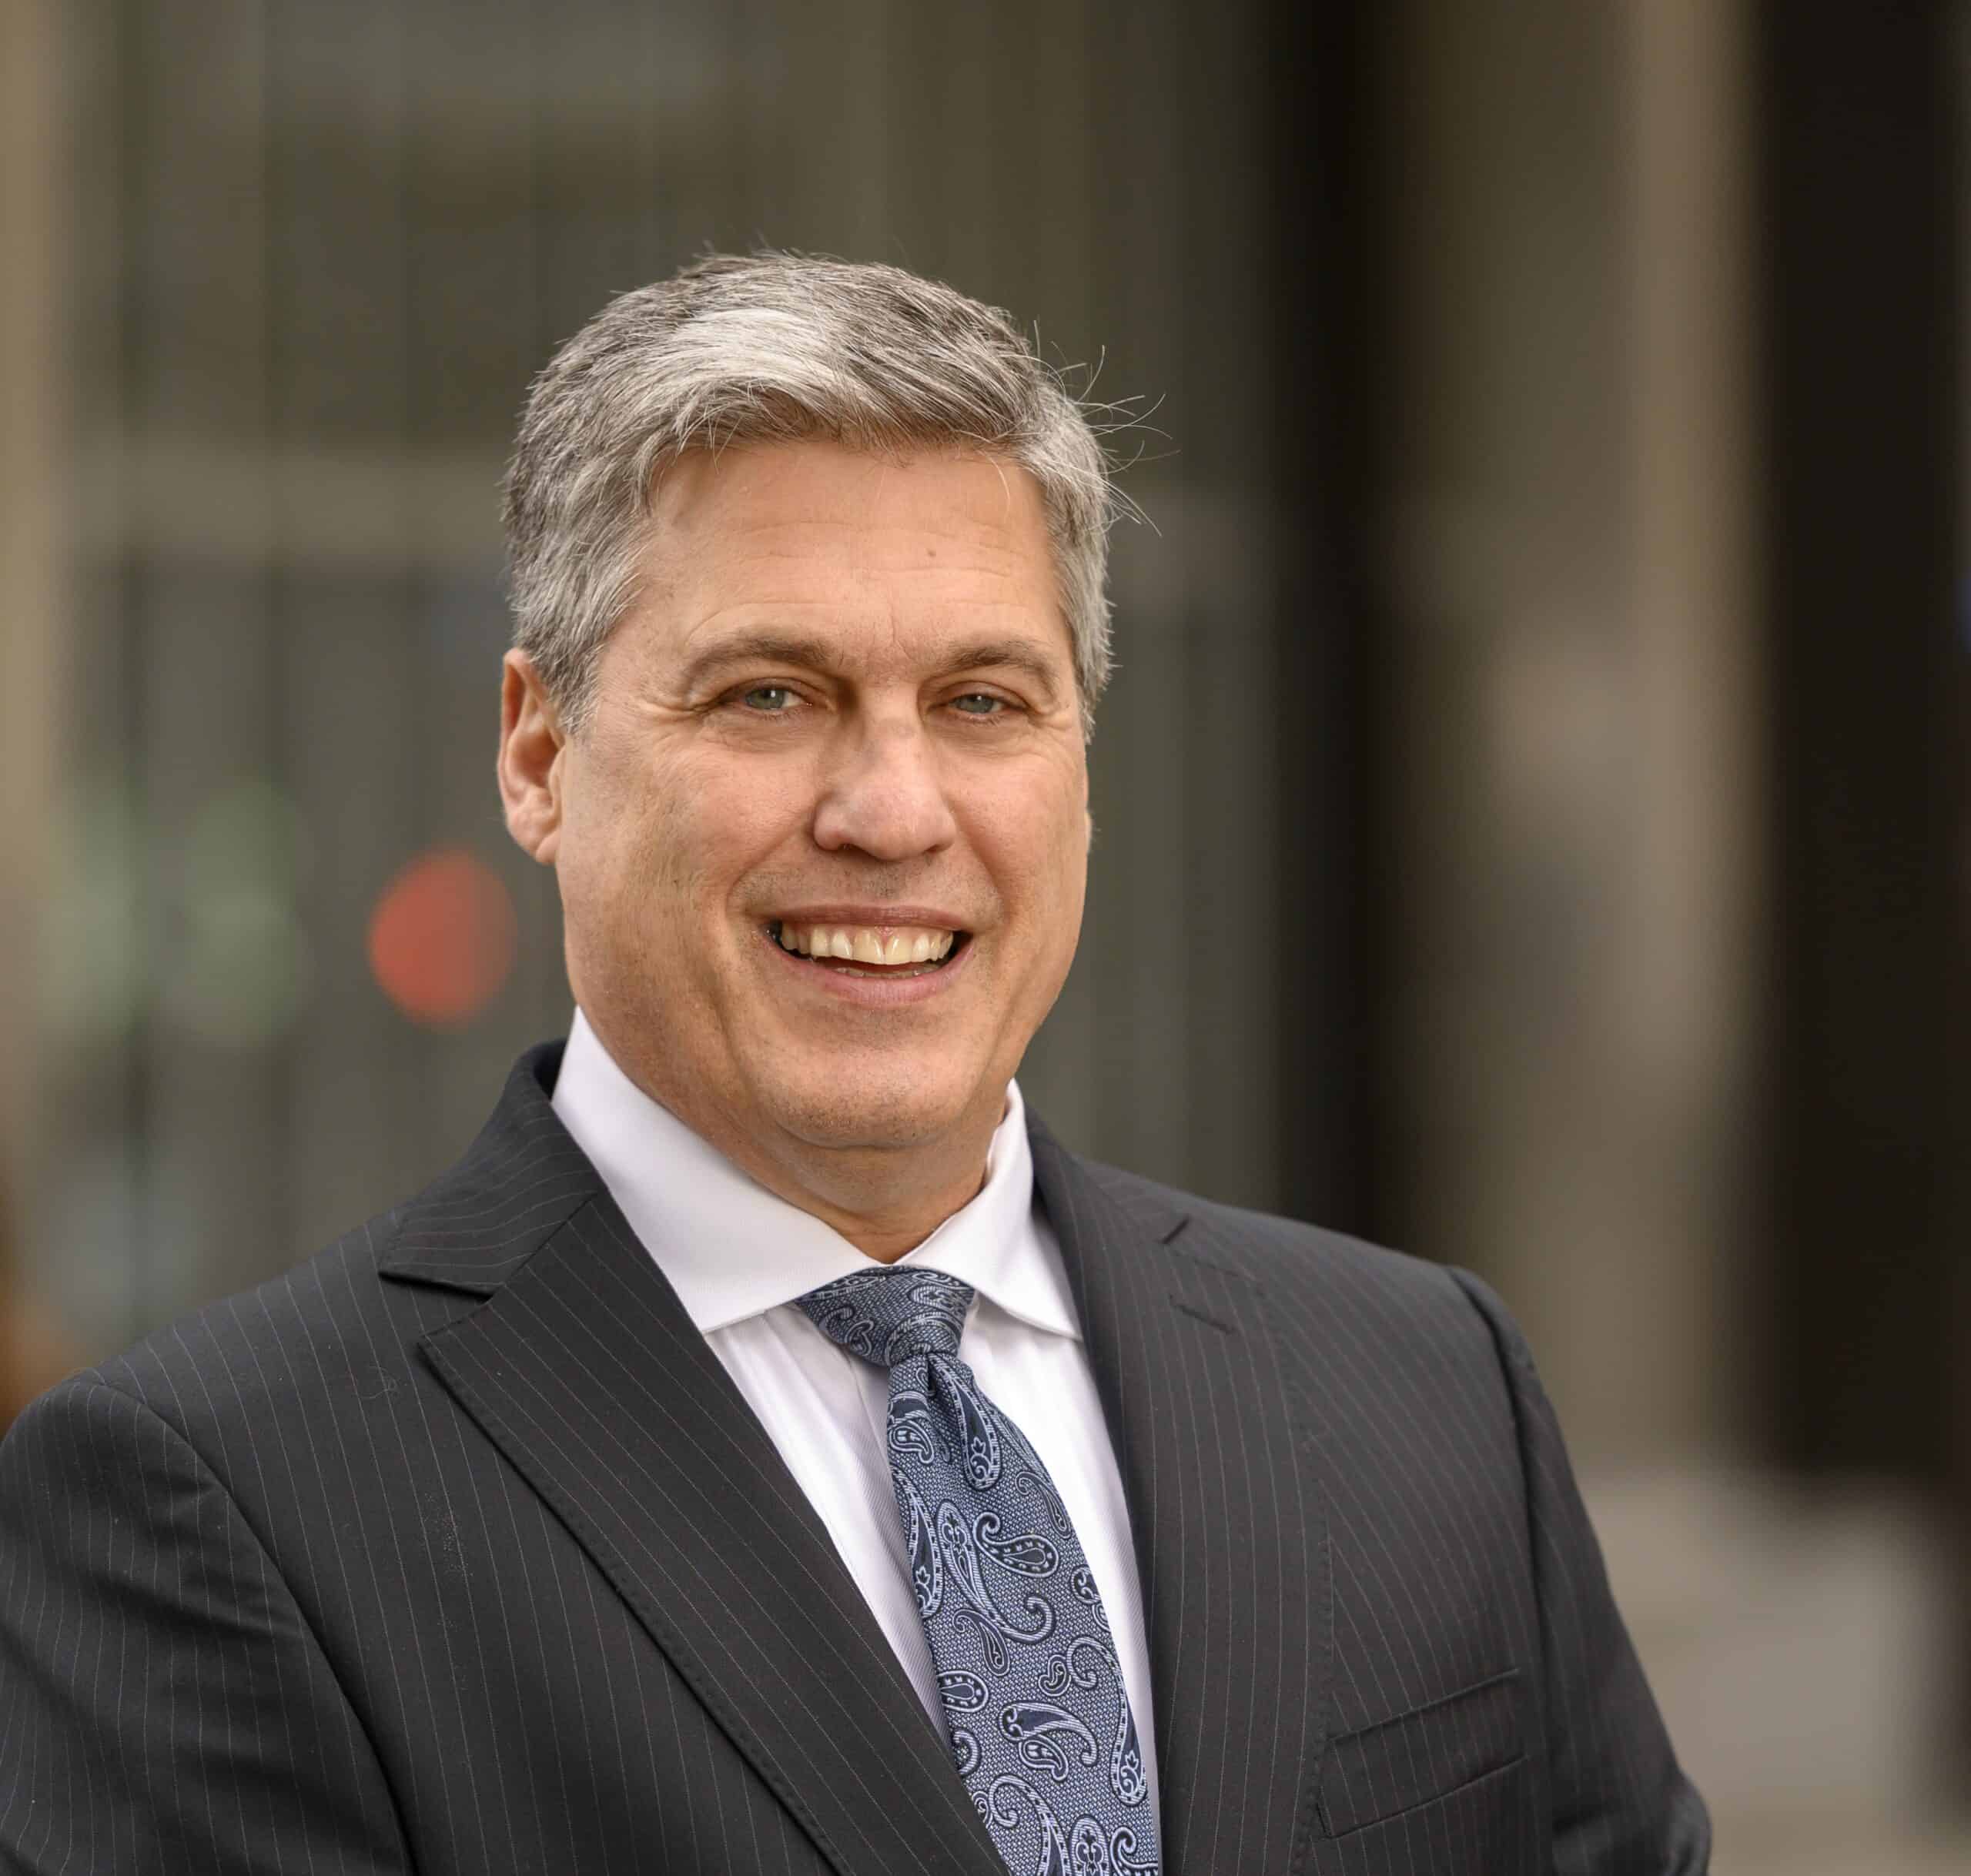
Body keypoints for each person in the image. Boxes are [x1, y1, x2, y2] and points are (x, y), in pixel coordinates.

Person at [0, 253, 1709, 1875]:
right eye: (767, 695)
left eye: (980, 702)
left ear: (1081, 772)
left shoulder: (1425, 1389)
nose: (891, 812)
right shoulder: (210, 1503)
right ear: (538, 754)